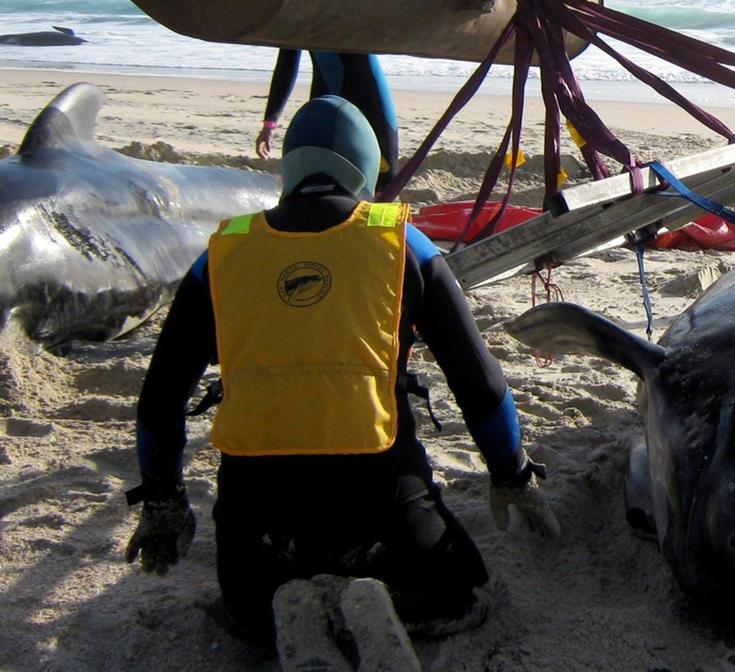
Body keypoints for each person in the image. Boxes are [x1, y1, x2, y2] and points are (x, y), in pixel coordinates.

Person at [124, 95, 558, 661]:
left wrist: (162, 501)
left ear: (290, 166)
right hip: (379, 507)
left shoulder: (224, 250)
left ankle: (287, 608)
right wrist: (512, 474)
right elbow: (480, 383)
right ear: (365, 168)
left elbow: (160, 401)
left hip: (258, 522)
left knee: (246, 613)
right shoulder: (404, 242)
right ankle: (380, 600)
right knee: (459, 592)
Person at [259, 50, 400, 194]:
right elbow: (287, 63)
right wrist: (270, 123)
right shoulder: (295, 27)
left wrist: (270, 124)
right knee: (321, 182)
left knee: (384, 185)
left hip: (369, 99)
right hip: (325, 101)